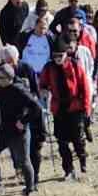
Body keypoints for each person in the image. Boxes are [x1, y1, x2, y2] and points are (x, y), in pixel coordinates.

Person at [40, 42, 94, 181]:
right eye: (55, 56)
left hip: (75, 107)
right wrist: (44, 90)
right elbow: (43, 83)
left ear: (66, 54)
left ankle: (83, 160)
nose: (57, 58)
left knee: (77, 139)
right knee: (61, 141)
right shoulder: (49, 67)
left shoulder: (75, 66)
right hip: (59, 108)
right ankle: (68, 169)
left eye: (60, 55)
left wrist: (87, 108)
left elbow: (85, 88)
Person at [0, 63, 41, 196]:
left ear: (8, 78)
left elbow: (37, 108)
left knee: (23, 161)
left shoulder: (19, 90)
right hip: (3, 130)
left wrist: (23, 121)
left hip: (18, 132)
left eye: (0, 77)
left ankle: (29, 188)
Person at [19, 12, 55, 76]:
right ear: (35, 26)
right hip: (27, 73)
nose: (42, 30)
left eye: (44, 28)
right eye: (40, 27)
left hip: (44, 74)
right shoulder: (25, 36)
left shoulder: (50, 39)